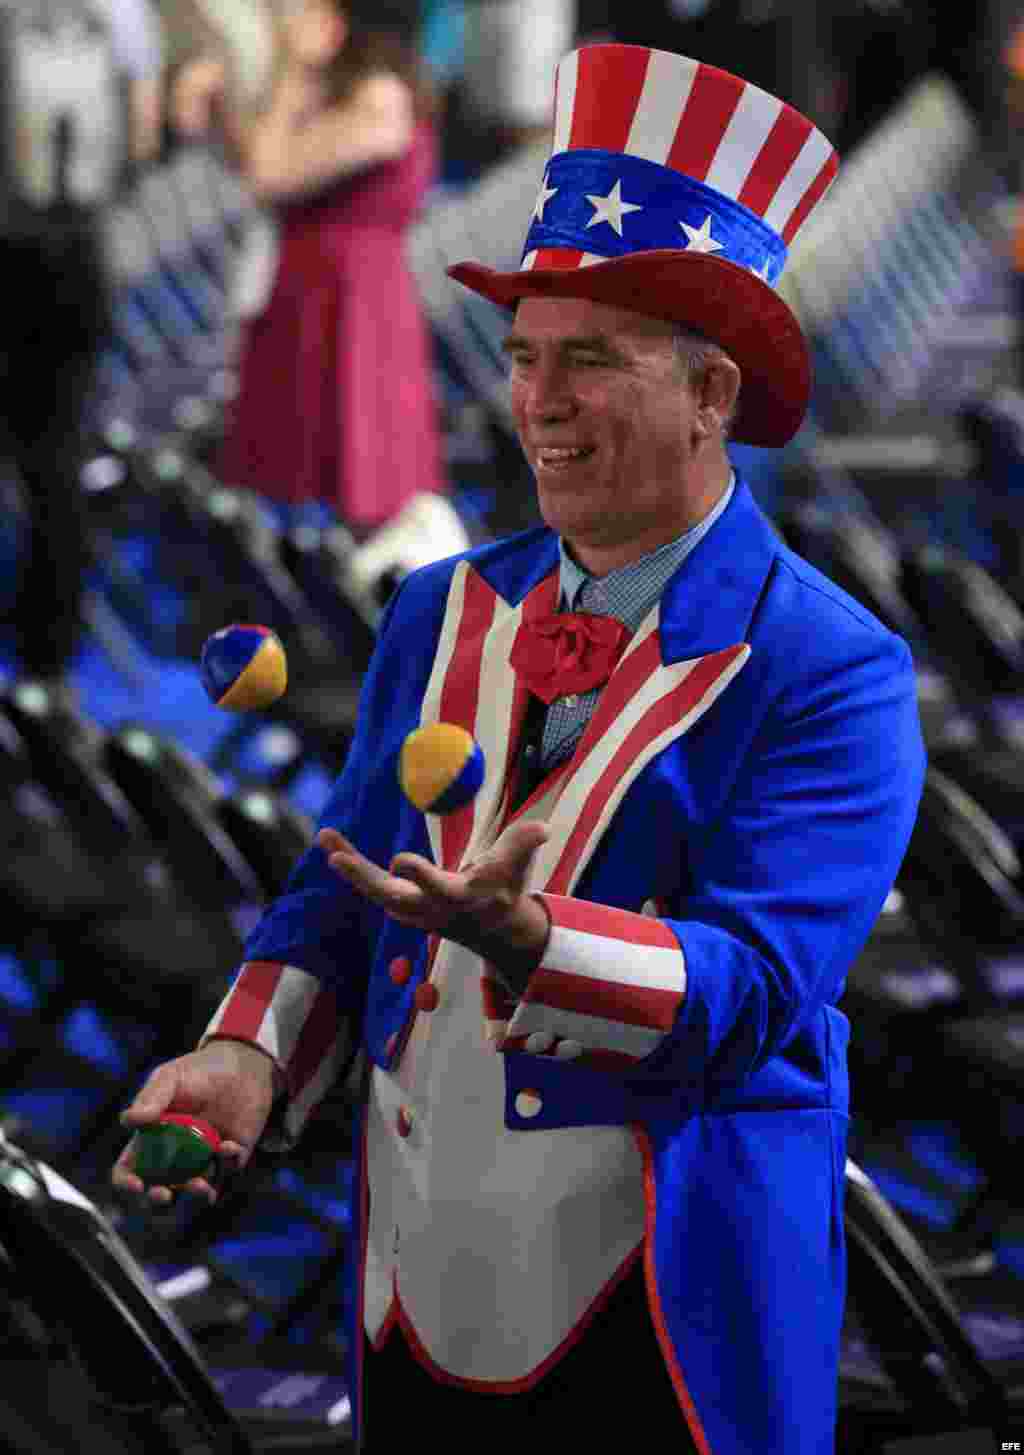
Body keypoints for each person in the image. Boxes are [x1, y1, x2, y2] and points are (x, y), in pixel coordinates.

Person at [114, 42, 927, 1454]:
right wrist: (249, 1050)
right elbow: (343, 883)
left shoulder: (834, 668)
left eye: (591, 362)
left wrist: (536, 936)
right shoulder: (441, 608)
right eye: (525, 359)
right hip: (414, 1282)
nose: (538, 402)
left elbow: (758, 985)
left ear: (713, 397)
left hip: (667, 1306)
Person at [174, 0, 446, 533]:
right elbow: (260, 158)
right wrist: (218, 102)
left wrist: (291, 69)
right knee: (289, 477)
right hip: (309, 291)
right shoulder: (341, 91)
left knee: (362, 478)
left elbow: (273, 174)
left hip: (353, 304)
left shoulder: (380, 97)